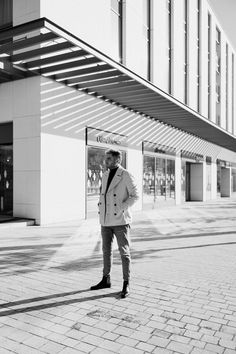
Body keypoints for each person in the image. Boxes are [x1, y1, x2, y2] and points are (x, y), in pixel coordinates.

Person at [90, 149, 139, 298]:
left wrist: (121, 208)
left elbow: (135, 195)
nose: (106, 161)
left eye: (109, 159)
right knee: (106, 251)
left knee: (124, 253)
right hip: (105, 220)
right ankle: (106, 279)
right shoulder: (105, 175)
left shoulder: (125, 175)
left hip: (120, 220)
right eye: (106, 158)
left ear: (118, 160)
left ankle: (126, 283)